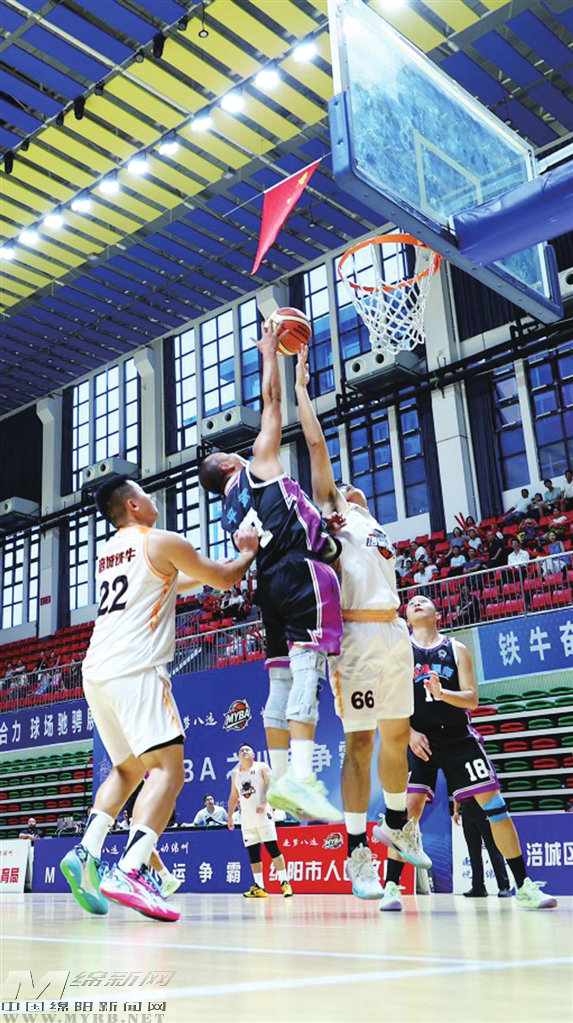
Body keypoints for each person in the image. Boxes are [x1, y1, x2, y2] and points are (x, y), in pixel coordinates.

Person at [60, 475, 258, 923]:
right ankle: (131, 869)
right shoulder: (161, 540)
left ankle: (87, 851)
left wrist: (213, 567)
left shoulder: (108, 553)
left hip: (96, 671)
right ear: (132, 504)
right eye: (145, 494)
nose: (153, 500)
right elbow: (224, 578)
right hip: (137, 668)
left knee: (128, 769)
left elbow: (173, 581)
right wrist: (247, 551)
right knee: (168, 771)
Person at [295, 347, 431, 900]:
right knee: (360, 743)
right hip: (354, 638)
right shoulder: (334, 513)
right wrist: (302, 389)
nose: (351, 487)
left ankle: (397, 827)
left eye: (353, 487)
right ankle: (356, 851)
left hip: (394, 632)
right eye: (344, 485)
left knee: (397, 735)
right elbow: (317, 447)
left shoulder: (375, 526)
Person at [199, 322, 344, 824]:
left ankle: (281, 778)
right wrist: (268, 352)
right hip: (301, 573)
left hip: (268, 587)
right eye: (231, 453)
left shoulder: (227, 513)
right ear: (230, 465)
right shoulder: (257, 465)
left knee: (279, 677)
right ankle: (301, 777)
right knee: (307, 668)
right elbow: (272, 401)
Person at [381, 594, 557, 912]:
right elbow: (390, 700)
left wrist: (442, 693)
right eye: (412, 602)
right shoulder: (400, 652)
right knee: (407, 814)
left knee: (496, 807)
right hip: (420, 739)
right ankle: (391, 888)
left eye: (424, 600)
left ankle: (524, 886)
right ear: (406, 619)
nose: (416, 602)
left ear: (438, 614)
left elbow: (472, 699)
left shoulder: (457, 649)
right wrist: (408, 733)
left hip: (458, 738)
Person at [228, 742, 293, 898]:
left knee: (273, 850)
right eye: (241, 750)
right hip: (247, 820)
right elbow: (234, 795)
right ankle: (260, 887)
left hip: (264, 817)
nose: (244, 751)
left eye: (247, 749)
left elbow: (271, 786)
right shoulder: (235, 773)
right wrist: (229, 815)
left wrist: (264, 803)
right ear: (238, 756)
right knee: (253, 854)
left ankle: (285, 883)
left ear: (253, 754)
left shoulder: (261, 767)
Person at [453, 797, 514, 898]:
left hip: (483, 808)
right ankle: (478, 887)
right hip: (467, 810)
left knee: (493, 849)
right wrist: (456, 811)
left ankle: (504, 887)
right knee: (473, 851)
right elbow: (456, 794)